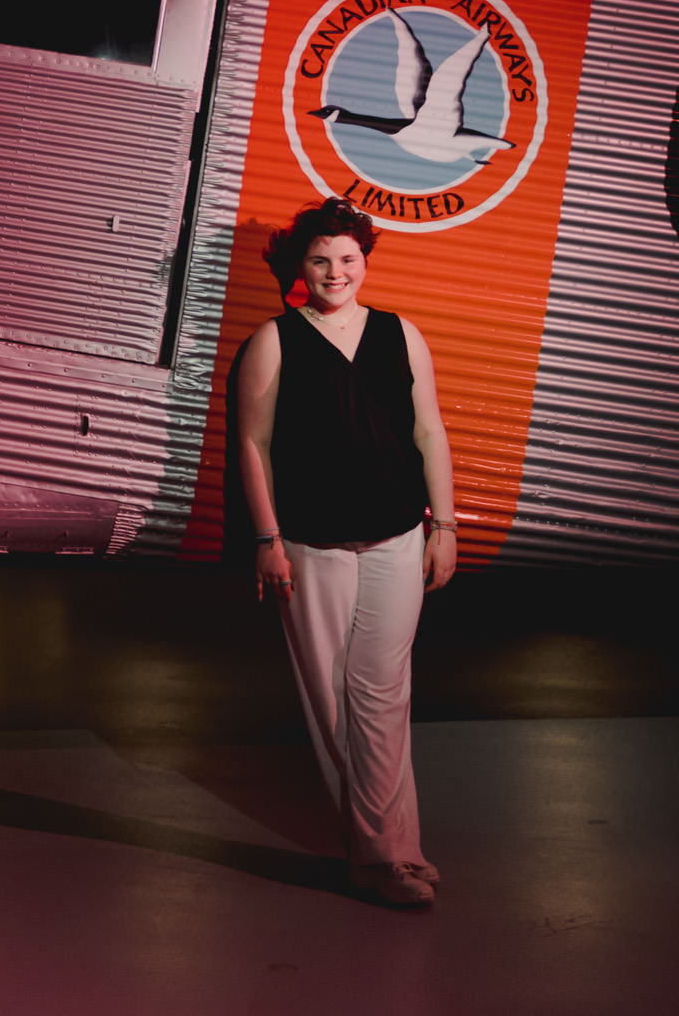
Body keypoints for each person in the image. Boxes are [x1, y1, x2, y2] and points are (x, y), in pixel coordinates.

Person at [233, 196, 458, 908]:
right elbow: (253, 444)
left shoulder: (401, 333)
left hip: (397, 535)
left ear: (366, 261)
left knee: (385, 693)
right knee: (331, 699)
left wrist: (444, 524)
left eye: (349, 258)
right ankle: (380, 854)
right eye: (321, 259)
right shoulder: (274, 339)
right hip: (309, 543)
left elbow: (430, 433)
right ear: (301, 265)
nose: (336, 271)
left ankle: (391, 851)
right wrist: (266, 538)